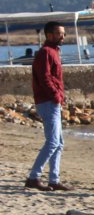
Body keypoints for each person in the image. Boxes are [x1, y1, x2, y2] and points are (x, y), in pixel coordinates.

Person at [26, 21, 71, 191]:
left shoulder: (53, 52)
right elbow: (45, 77)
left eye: (64, 33)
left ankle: (54, 179)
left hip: (52, 101)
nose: (63, 36)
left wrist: (59, 97)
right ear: (50, 34)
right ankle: (33, 177)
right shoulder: (45, 52)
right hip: (47, 101)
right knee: (53, 142)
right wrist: (56, 95)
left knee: (59, 142)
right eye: (60, 33)